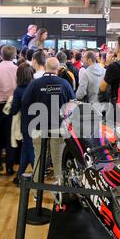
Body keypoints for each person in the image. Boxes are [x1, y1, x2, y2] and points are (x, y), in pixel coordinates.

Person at [22, 57, 75, 186]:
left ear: (45, 67)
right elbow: (73, 105)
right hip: (59, 128)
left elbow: (25, 102)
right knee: (58, 161)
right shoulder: (64, 84)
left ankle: (36, 191)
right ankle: (61, 192)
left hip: (38, 127)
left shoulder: (35, 83)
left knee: (39, 160)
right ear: (57, 69)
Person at [0, 45, 18, 175]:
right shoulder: (17, 69)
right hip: (12, 105)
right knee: (10, 137)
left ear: (1, 55)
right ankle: (10, 167)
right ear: (14, 55)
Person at [10, 63, 35, 185]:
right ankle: (19, 176)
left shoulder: (18, 90)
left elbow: (14, 110)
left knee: (30, 152)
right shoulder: (36, 86)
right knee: (26, 150)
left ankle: (37, 179)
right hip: (38, 122)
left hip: (26, 124)